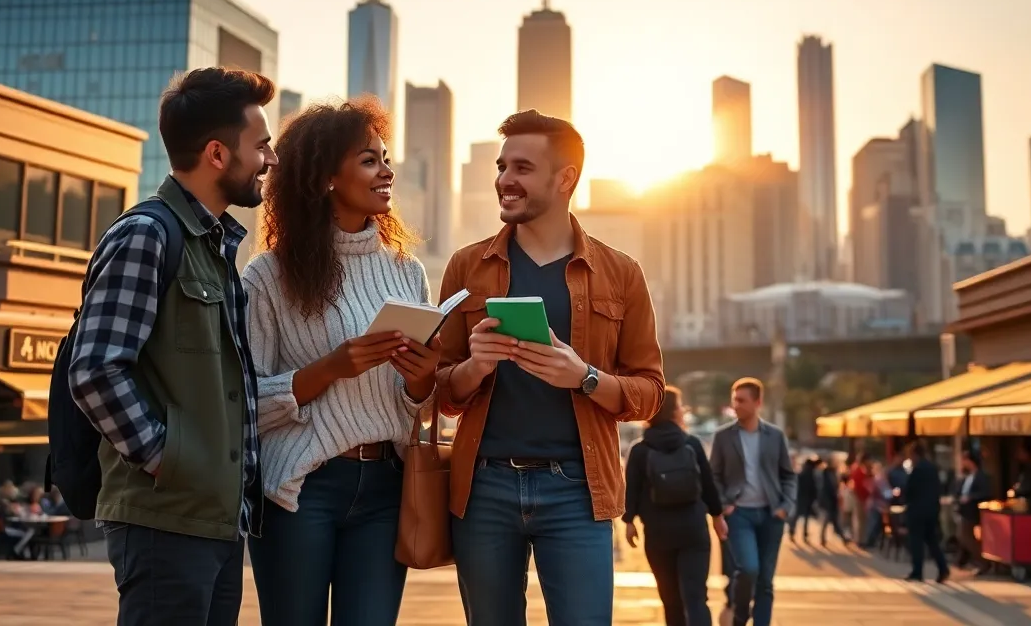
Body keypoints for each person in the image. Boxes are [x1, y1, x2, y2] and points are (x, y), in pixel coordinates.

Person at [435, 109, 665, 626]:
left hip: (578, 491)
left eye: (521, 167)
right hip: (483, 489)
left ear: (565, 179)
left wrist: (583, 376)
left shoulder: (621, 273)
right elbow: (437, 391)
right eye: (501, 167)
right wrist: (475, 366)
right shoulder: (466, 267)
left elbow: (651, 392)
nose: (504, 180)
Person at [68, 67, 277, 625]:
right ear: (216, 153)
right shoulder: (148, 235)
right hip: (166, 521)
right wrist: (168, 459)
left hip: (213, 518)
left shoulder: (213, 246)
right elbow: (95, 370)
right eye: (261, 146)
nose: (270, 160)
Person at [243, 98, 439, 625]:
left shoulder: (407, 271)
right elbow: (242, 402)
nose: (387, 170)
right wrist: (331, 367)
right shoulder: (268, 277)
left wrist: (422, 383)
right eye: (369, 159)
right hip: (301, 487)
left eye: (386, 157)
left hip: (385, 487)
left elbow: (417, 405)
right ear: (326, 175)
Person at [622, 386, 727, 626]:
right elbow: (708, 484)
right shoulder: (692, 443)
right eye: (680, 406)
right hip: (693, 530)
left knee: (671, 600)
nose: (682, 410)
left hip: (659, 534)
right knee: (696, 598)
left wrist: (629, 523)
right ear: (673, 412)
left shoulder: (639, 450)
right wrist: (717, 516)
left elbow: (633, 490)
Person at [708, 378, 797, 626]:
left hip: (771, 515)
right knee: (748, 569)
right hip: (739, 515)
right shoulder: (723, 436)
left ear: (758, 402)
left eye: (741, 400)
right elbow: (713, 476)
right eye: (734, 399)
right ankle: (739, 617)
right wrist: (724, 504)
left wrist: (785, 507)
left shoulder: (775, 436)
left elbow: (788, 475)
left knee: (766, 581)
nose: (735, 405)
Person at [903, 441, 949, 584]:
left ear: (915, 454)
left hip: (917, 510)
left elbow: (909, 490)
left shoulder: (917, 470)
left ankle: (917, 572)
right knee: (932, 541)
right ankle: (943, 568)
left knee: (916, 542)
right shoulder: (932, 468)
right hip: (931, 510)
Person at [954, 450, 991, 572]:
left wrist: (970, 497)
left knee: (967, 537)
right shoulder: (968, 476)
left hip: (973, 512)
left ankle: (983, 561)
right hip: (964, 511)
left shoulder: (981, 477)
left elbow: (985, 493)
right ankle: (963, 561)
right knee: (963, 536)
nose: (963, 463)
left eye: (965, 460)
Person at [818, 458, 846, 547]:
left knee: (835, 520)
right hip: (828, 500)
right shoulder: (825, 473)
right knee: (827, 520)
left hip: (833, 500)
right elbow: (828, 487)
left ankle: (843, 537)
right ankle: (824, 538)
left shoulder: (834, 473)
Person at [791, 456, 819, 544]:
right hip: (808, 499)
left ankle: (792, 531)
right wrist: (815, 498)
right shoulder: (812, 475)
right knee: (805, 518)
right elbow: (814, 488)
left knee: (797, 516)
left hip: (801, 498)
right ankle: (804, 535)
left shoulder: (801, 474)